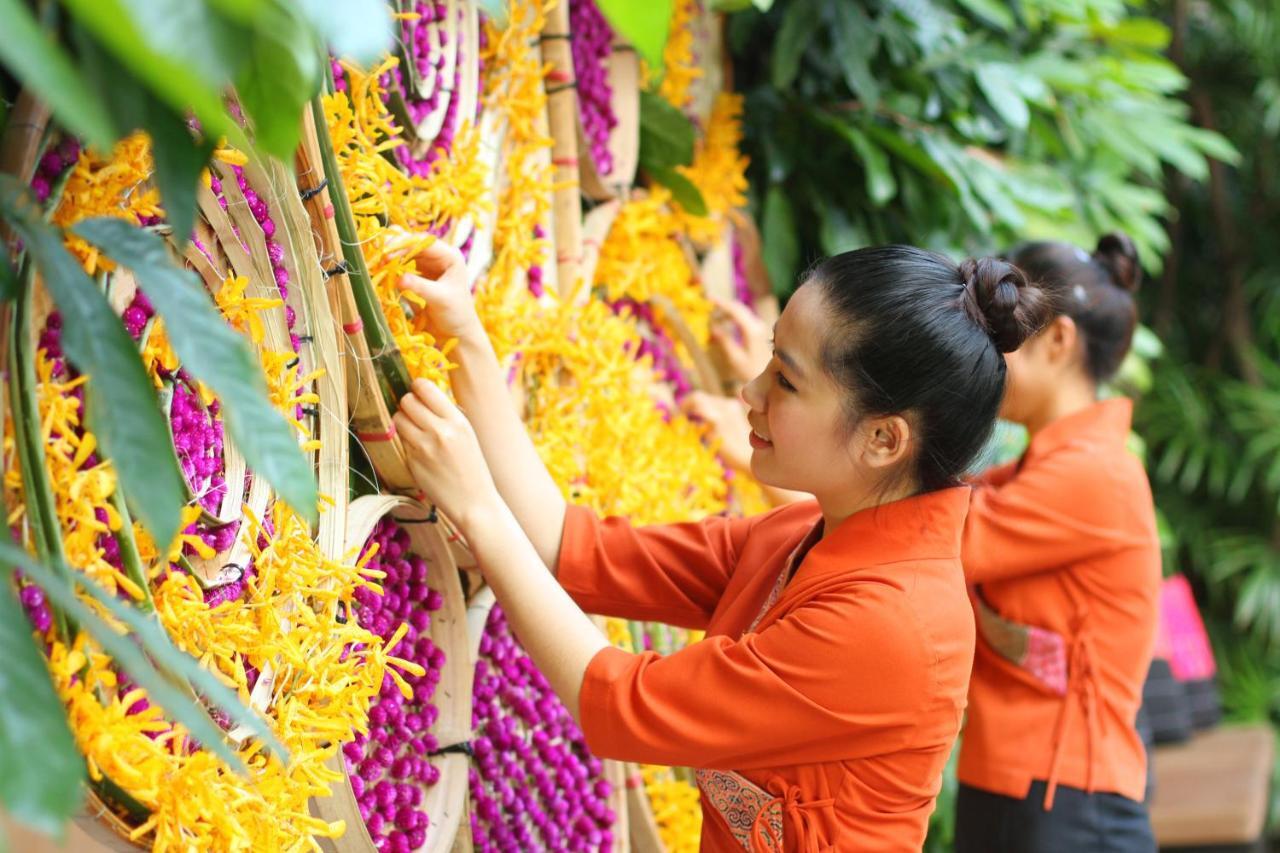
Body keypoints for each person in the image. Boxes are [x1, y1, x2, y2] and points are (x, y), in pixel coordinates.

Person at [392, 242, 1051, 851]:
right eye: (770, 357)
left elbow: (622, 705)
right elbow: (575, 547)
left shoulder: (889, 625)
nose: (751, 391)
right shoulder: (802, 537)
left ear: (883, 439)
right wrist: (467, 341)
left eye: (787, 382)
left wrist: (477, 508)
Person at [953, 233, 1161, 853]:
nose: (982, 361)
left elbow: (920, 538)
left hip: (1065, 804)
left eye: (999, 342)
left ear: (1060, 340)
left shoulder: (1096, 475)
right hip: (1029, 793)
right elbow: (920, 511)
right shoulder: (1036, 475)